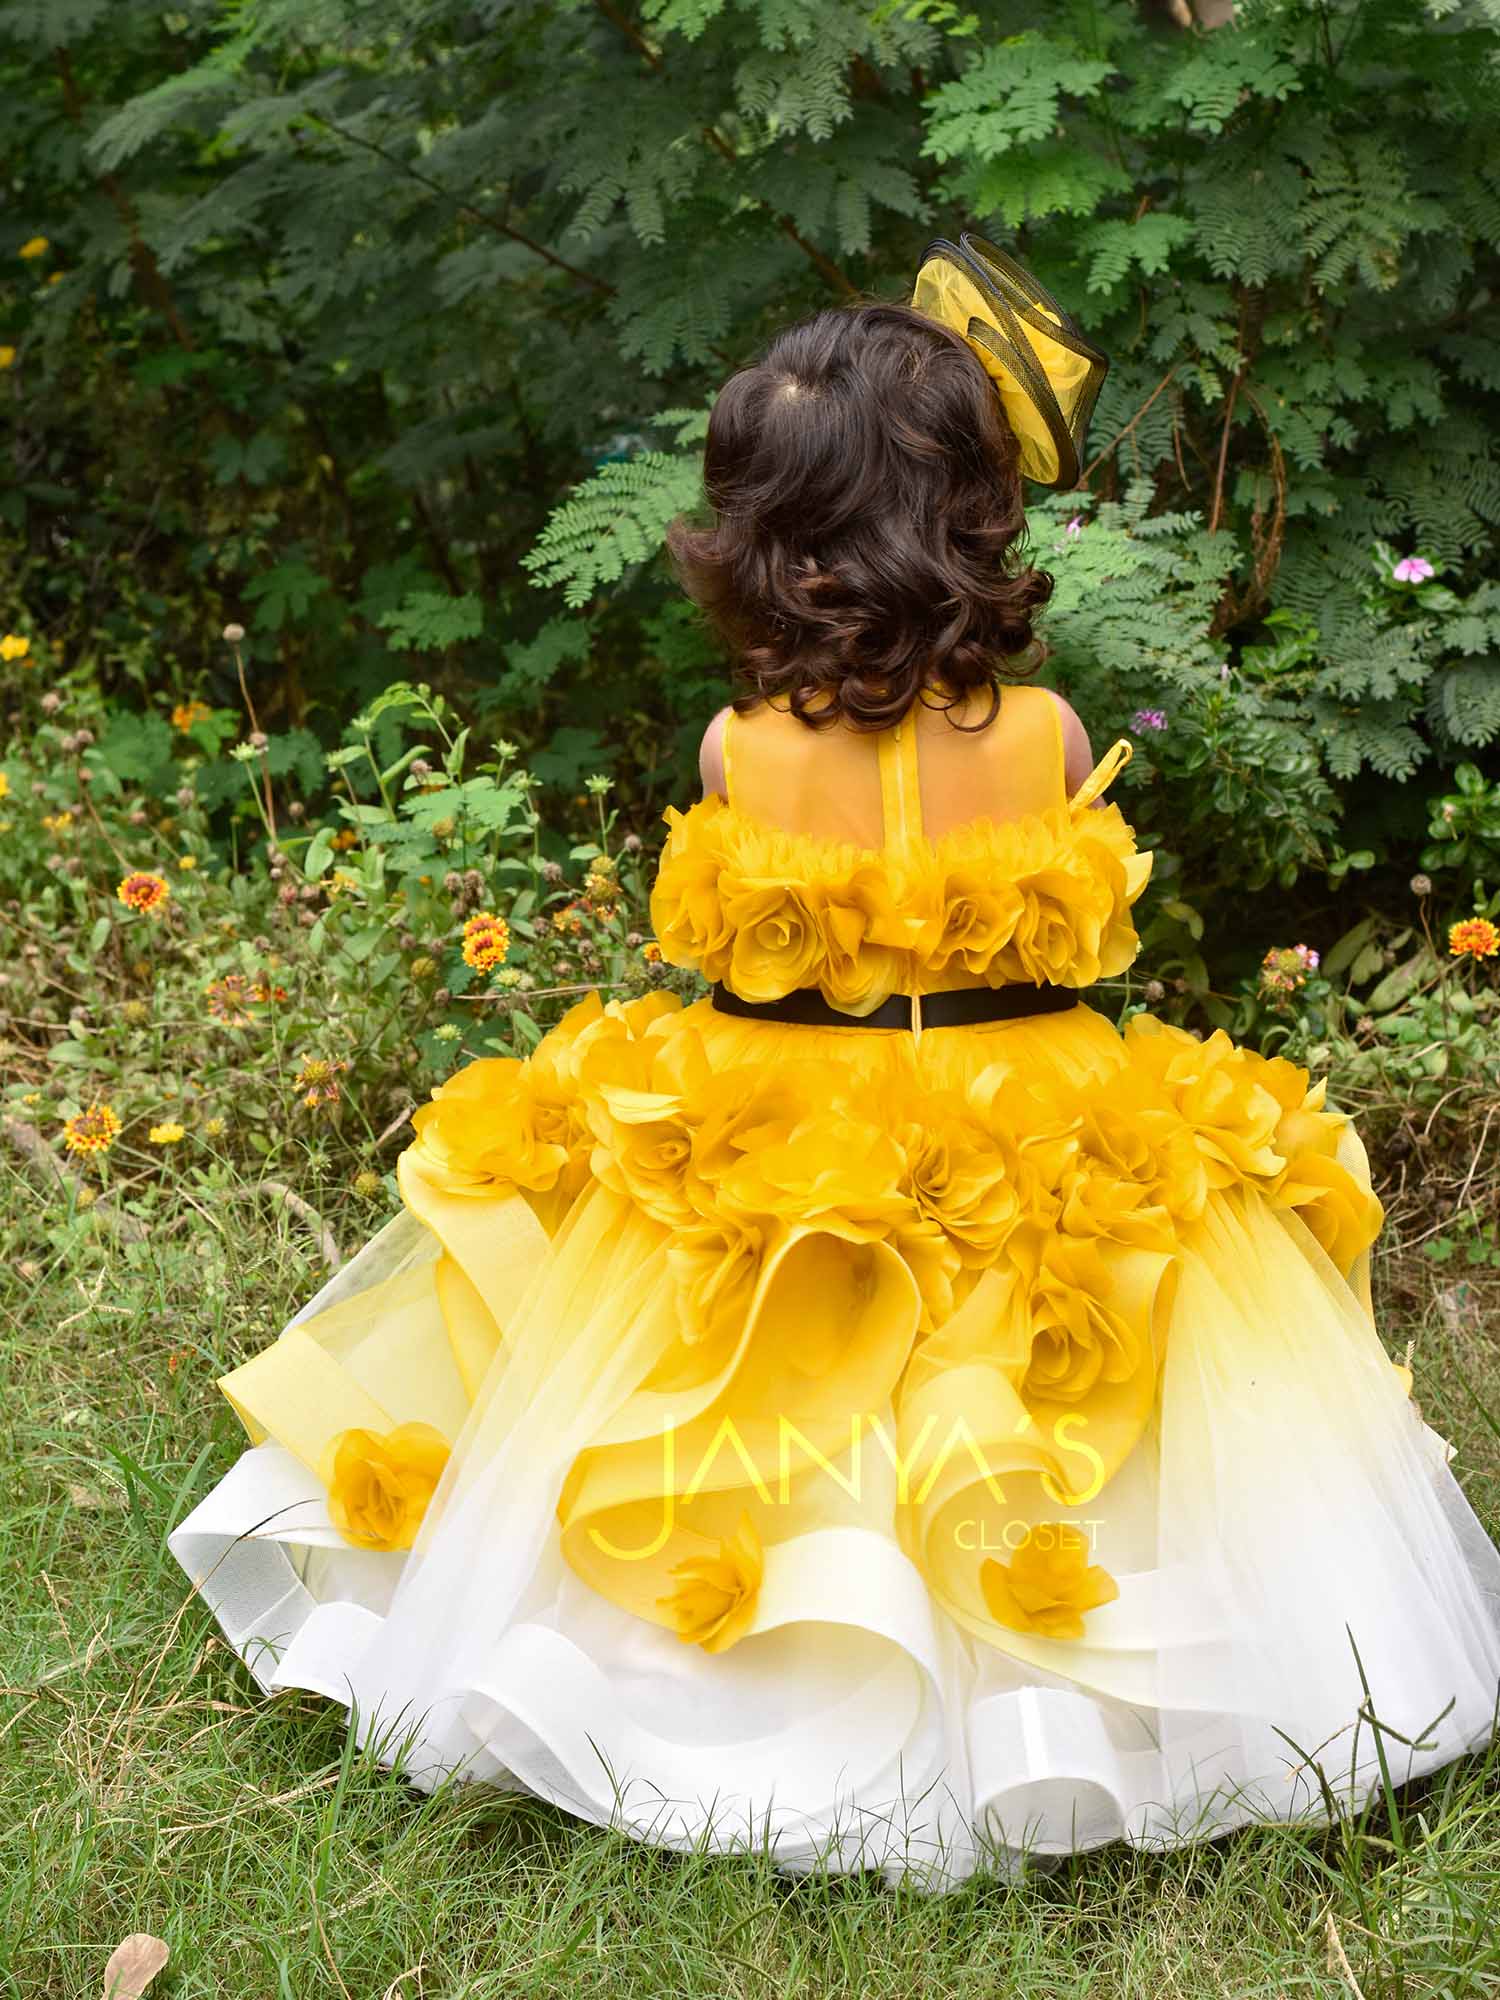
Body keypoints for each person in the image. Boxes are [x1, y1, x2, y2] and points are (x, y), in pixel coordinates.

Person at [172, 236, 1500, 1887]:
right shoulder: (1052, 735)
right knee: (1069, 1382)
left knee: (749, 1379)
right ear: (968, 523)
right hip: (1036, 1119)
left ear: (774, 546)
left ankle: (754, 1671)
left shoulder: (738, 745)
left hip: (780, 1133)